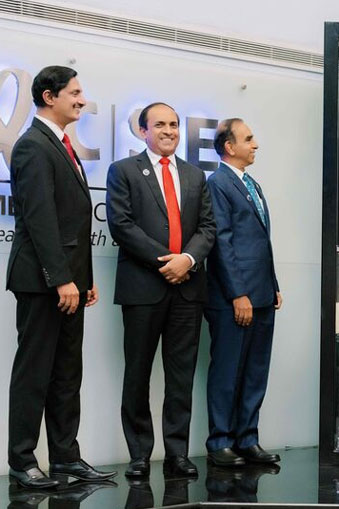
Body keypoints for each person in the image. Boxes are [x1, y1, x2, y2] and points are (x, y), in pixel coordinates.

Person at [5, 65, 115, 488]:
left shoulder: (62, 145)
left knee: (68, 372)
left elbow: (72, 223)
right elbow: (40, 220)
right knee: (34, 372)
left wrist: (82, 279)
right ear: (49, 97)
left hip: (69, 281)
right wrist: (60, 278)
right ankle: (21, 463)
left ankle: (66, 458)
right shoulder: (33, 145)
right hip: (42, 281)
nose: (82, 99)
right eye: (75, 92)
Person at [106, 102, 216, 478]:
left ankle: (177, 454)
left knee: (181, 376)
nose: (169, 130)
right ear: (143, 131)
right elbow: (121, 225)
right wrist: (167, 261)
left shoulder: (195, 176)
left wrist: (187, 259)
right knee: (137, 374)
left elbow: (207, 229)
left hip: (188, 290)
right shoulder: (123, 171)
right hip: (143, 289)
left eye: (174, 124)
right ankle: (138, 455)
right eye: (160, 125)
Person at [205, 118, 282, 467]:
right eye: (248, 139)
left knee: (255, 370)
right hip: (233, 299)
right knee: (227, 370)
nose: (256, 144)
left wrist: (273, 285)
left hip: (262, 294)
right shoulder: (217, 183)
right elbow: (221, 242)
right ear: (228, 146)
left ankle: (247, 438)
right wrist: (239, 294)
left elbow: (260, 242)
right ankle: (220, 441)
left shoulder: (252, 184)